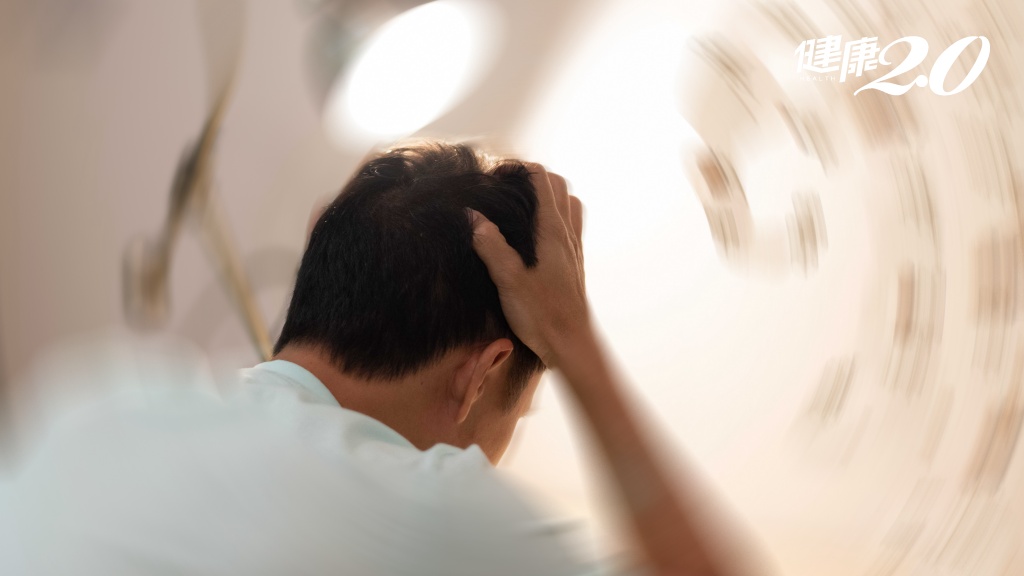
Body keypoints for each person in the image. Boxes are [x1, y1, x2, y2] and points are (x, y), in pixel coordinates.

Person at [9, 141, 742, 576]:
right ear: (483, 373)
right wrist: (574, 342)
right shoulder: (431, 508)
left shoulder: (89, 403)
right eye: (520, 412)